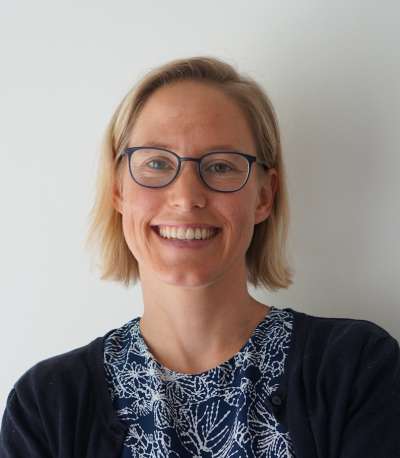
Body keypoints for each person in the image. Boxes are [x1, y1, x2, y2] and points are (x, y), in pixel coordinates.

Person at [0, 56, 399, 458]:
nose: (187, 197)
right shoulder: (46, 406)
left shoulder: (356, 368)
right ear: (118, 189)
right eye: (157, 163)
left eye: (221, 166)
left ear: (264, 195)